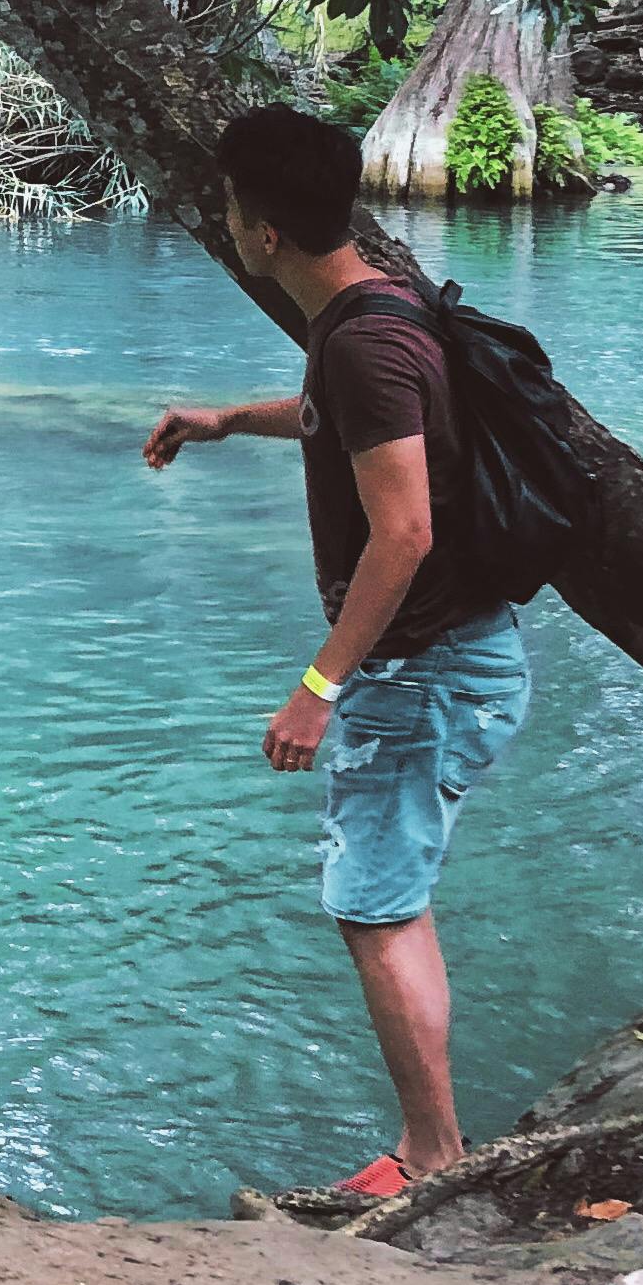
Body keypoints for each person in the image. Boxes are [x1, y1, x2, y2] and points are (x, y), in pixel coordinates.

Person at [143, 105, 533, 1199]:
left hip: (426, 673)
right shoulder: (377, 306)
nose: (226, 224)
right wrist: (229, 421)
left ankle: (430, 1159)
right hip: (449, 662)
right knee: (388, 896)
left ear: (261, 233)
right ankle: (434, 1144)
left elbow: (404, 529)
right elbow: (351, 416)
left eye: (229, 209)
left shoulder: (364, 339)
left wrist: (319, 687)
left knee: (374, 906)